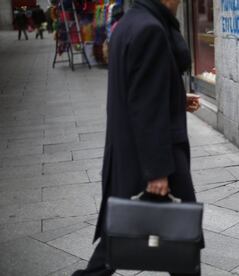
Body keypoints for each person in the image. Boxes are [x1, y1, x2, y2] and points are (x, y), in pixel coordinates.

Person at [72, 0, 201, 275]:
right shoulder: (151, 29)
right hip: (153, 156)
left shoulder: (131, 22)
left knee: (123, 239)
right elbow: (146, 108)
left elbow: (138, 90)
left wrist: (176, 98)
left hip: (133, 152)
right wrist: (157, 172)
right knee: (181, 236)